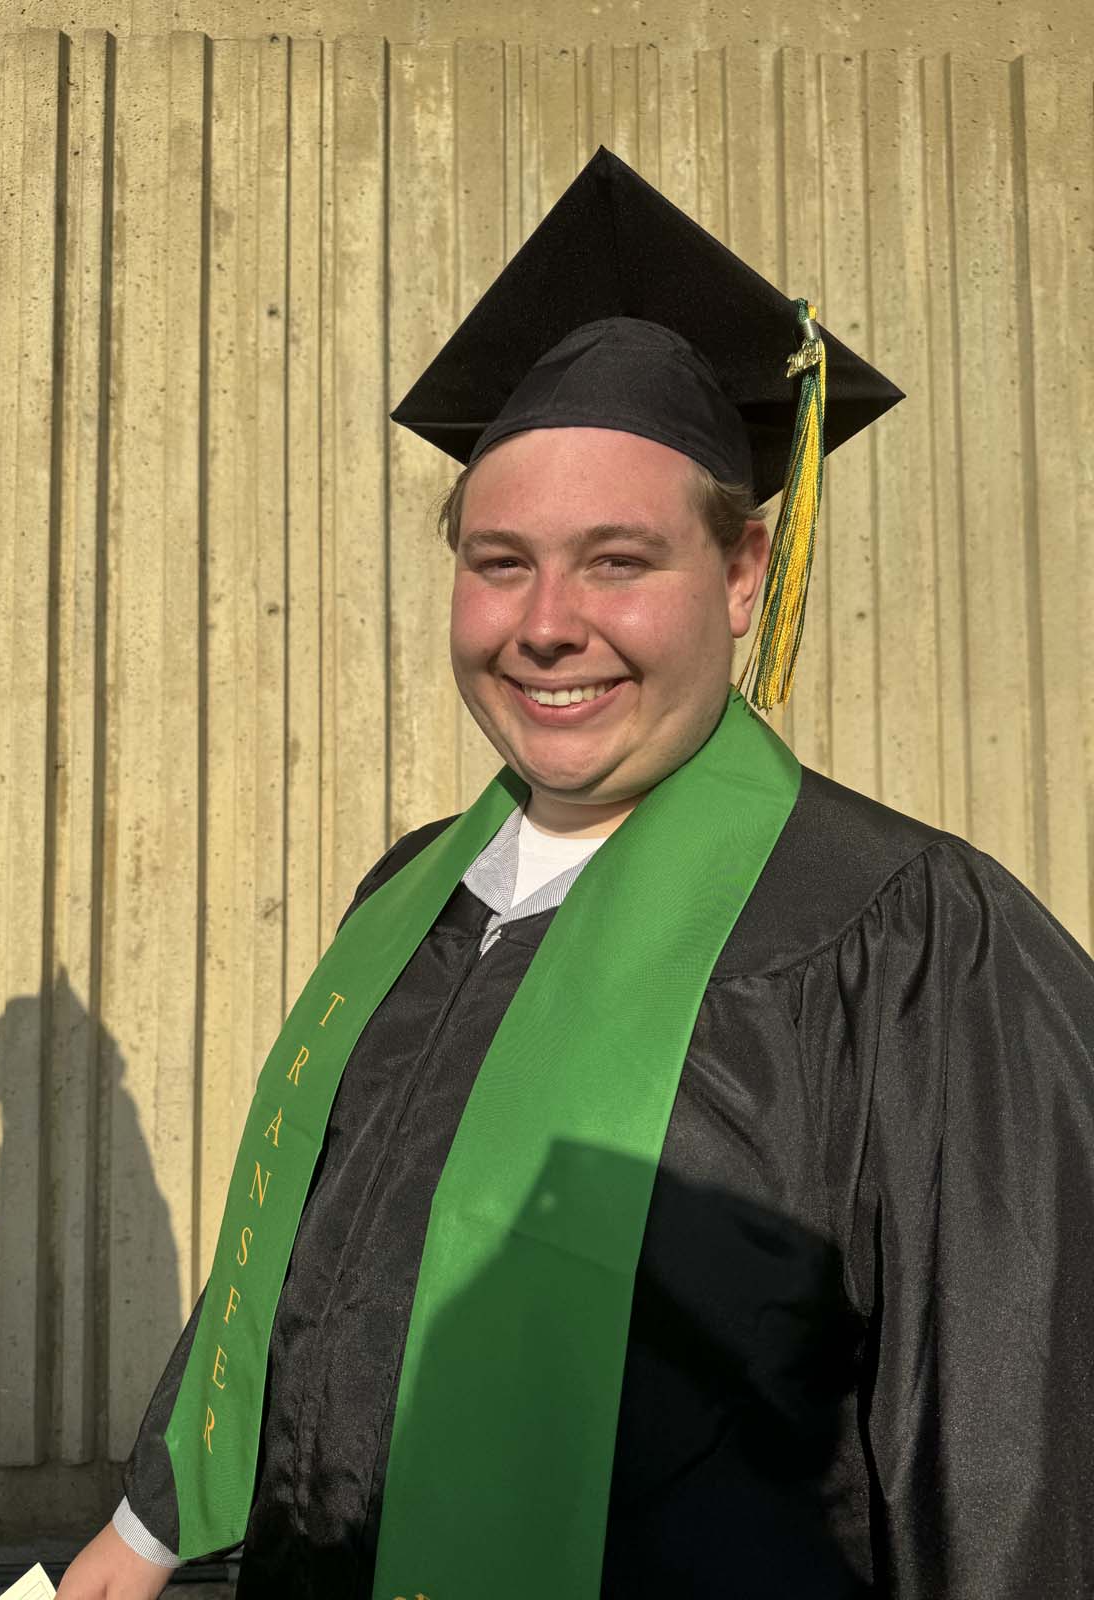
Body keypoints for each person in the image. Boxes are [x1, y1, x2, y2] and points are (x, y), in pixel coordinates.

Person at [57, 148, 1094, 1600]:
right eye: (501, 563)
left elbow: (1015, 1470)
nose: (547, 626)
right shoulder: (412, 896)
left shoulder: (913, 946)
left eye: (617, 562)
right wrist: (146, 1531)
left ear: (743, 572)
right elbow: (301, 1266)